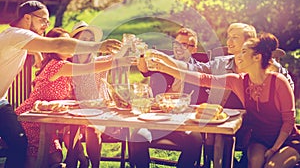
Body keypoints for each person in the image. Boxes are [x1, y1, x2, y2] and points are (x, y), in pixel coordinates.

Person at [146, 22, 295, 167]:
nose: (230, 43)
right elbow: (200, 77)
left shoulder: (277, 76)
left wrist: (275, 149)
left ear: (255, 52)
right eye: (228, 37)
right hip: (252, 135)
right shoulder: (236, 79)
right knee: (249, 158)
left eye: (235, 39)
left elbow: (289, 118)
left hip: (281, 135)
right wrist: (165, 66)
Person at [0, 0, 121, 168]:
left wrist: (37, 55)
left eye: (48, 22)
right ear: (27, 18)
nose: (46, 25)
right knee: (20, 144)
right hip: (26, 115)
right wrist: (98, 46)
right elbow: (58, 44)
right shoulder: (18, 35)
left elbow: (36, 46)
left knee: (20, 144)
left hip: (2, 102)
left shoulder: (17, 37)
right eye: (43, 20)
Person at [15, 27, 133, 168]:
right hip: (31, 120)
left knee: (56, 156)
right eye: (67, 42)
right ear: (54, 46)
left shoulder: (59, 64)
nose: (73, 45)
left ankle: (78, 159)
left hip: (45, 120)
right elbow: (90, 67)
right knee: (45, 158)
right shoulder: (58, 66)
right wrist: (118, 62)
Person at [130, 27, 204, 168]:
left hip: (183, 123)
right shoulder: (163, 64)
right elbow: (145, 70)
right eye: (176, 44)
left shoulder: (198, 70)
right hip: (157, 120)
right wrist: (141, 54)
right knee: (137, 136)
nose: (179, 48)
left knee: (195, 140)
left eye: (184, 45)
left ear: (194, 49)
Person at [68, 21, 114, 168]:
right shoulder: (66, 64)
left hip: (98, 112)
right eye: (83, 40)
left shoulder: (100, 62)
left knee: (92, 129)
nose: (87, 44)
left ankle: (95, 165)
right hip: (72, 113)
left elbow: (118, 59)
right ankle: (79, 159)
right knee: (71, 130)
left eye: (90, 41)